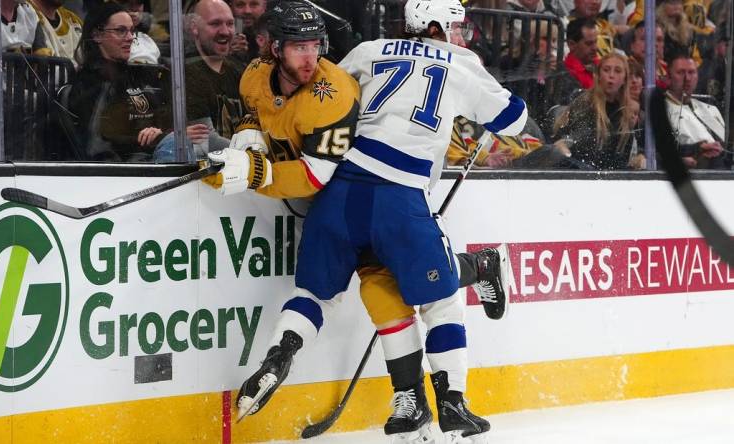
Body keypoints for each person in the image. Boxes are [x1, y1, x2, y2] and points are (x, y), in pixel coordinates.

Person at [208, 0, 525, 441]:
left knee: (345, 294)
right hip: (399, 196)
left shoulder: (369, 50)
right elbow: (515, 119)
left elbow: (331, 91)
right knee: (440, 299)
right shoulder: (463, 63)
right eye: (456, 26)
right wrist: (474, 108)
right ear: (437, 26)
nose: (461, 35)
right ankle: (453, 401)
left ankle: (298, 356)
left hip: (336, 195)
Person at [62, 2, 203, 161]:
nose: (130, 38)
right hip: (127, 175)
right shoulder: (88, 86)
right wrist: (162, 137)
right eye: (121, 31)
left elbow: (165, 117)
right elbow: (102, 145)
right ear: (97, 35)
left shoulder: (138, 75)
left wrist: (167, 133)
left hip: (159, 159)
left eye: (131, 31)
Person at [554, 52, 639, 169]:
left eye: (618, 71)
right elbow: (580, 148)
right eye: (606, 70)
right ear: (599, 75)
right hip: (580, 170)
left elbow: (622, 158)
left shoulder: (627, 113)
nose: (611, 75)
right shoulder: (585, 103)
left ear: (625, 79)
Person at [184, 0, 245, 139]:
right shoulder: (186, 74)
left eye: (230, 24)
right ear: (194, 28)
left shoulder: (240, 71)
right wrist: (250, 153)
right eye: (215, 24)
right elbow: (205, 141)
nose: (225, 31)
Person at [664, 52, 725, 169]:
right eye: (680, 72)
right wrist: (697, 150)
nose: (687, 78)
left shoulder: (711, 109)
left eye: (691, 72)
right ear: (668, 77)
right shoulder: (660, 111)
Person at [564, 18, 599, 90]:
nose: (595, 48)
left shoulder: (600, 65)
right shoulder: (567, 75)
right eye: (589, 43)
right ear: (571, 45)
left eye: (596, 42)